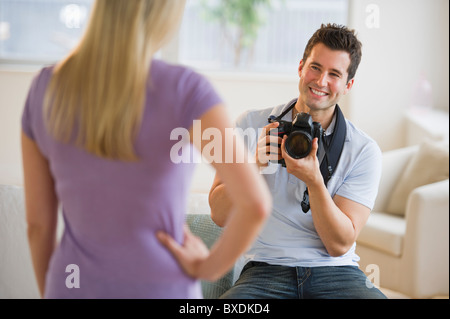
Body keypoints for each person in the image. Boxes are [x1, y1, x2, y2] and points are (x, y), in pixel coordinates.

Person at [21, 0, 271, 299]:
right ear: (163, 12)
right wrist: (207, 267)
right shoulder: (187, 91)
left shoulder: (44, 88)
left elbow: (38, 226)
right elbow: (255, 204)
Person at [209, 23, 387, 299]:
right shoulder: (250, 124)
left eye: (334, 74)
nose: (321, 81)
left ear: (348, 85)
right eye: (315, 67)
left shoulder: (363, 150)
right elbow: (219, 215)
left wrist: (315, 182)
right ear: (301, 67)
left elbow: (338, 245)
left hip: (337, 272)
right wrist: (253, 165)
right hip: (265, 270)